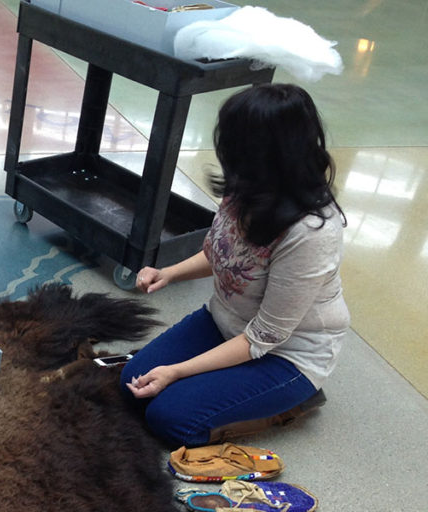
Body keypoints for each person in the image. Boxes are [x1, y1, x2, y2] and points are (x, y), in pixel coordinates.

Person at [119, 83, 349, 447]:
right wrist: (170, 272)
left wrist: (177, 372)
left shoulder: (311, 233)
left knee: (169, 420)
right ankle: (218, 389)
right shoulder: (245, 189)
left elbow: (263, 338)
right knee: (133, 384)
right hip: (226, 323)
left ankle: (292, 401)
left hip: (286, 355)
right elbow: (220, 253)